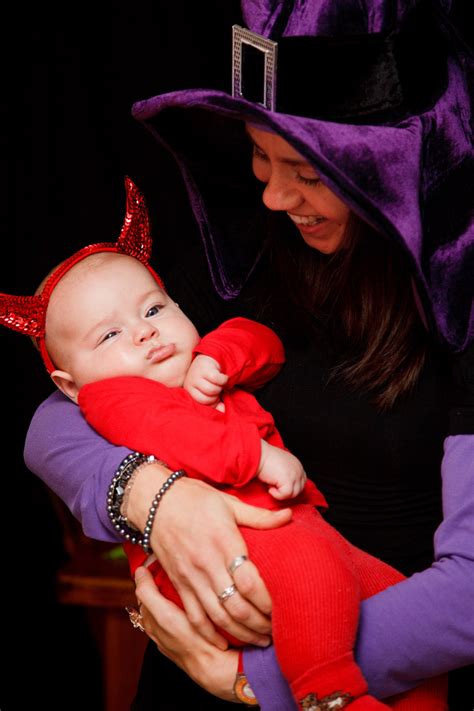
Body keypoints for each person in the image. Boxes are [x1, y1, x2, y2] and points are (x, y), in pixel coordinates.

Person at [20, 0, 473, 709]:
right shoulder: (249, 248)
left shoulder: (461, 293)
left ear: (392, 162)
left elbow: (469, 594)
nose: (271, 193)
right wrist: (151, 497)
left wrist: (252, 677)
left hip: (361, 680)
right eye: (259, 156)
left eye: (306, 170)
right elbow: (58, 415)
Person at [1, 177, 446, 709]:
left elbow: (263, 342)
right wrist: (252, 458)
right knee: (313, 570)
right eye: (109, 335)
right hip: (238, 550)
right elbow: (181, 437)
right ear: (71, 387)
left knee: (400, 612)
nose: (144, 332)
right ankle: (330, 693)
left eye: (152, 310)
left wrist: (219, 355)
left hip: (304, 529)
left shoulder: (194, 364)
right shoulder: (114, 400)